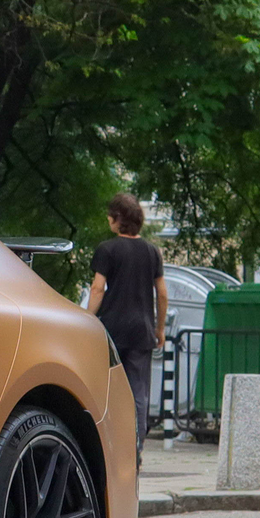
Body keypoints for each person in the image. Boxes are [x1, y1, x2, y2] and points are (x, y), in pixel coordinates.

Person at [86, 192, 169, 454]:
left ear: (117, 219)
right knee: (138, 392)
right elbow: (162, 293)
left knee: (107, 388)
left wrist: (87, 319)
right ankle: (136, 449)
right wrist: (160, 328)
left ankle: (108, 448)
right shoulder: (152, 252)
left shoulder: (107, 249)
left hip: (111, 329)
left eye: (110, 215)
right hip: (142, 330)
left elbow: (98, 289)